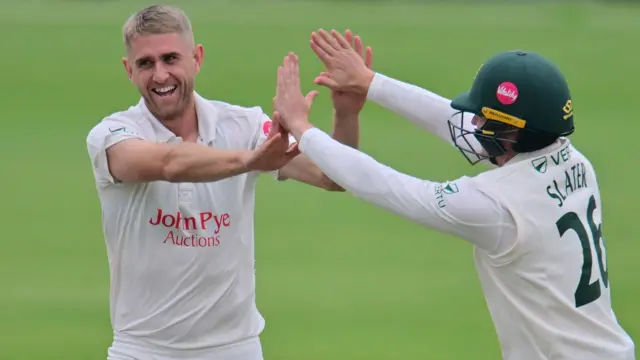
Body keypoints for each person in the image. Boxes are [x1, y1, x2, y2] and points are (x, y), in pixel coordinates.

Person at [271, 29, 635, 360]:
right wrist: (370, 83)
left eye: (484, 120)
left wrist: (302, 128)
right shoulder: (574, 161)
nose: (474, 124)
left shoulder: (496, 207)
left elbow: (384, 185)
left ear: (515, 134)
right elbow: (461, 124)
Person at [85, 6, 371, 360]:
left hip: (235, 350)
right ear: (129, 70)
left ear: (197, 58)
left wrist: (346, 113)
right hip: (142, 351)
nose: (160, 75)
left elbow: (333, 176)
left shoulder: (244, 126)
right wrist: (250, 161)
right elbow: (169, 163)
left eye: (171, 58)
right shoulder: (112, 135)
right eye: (146, 63)